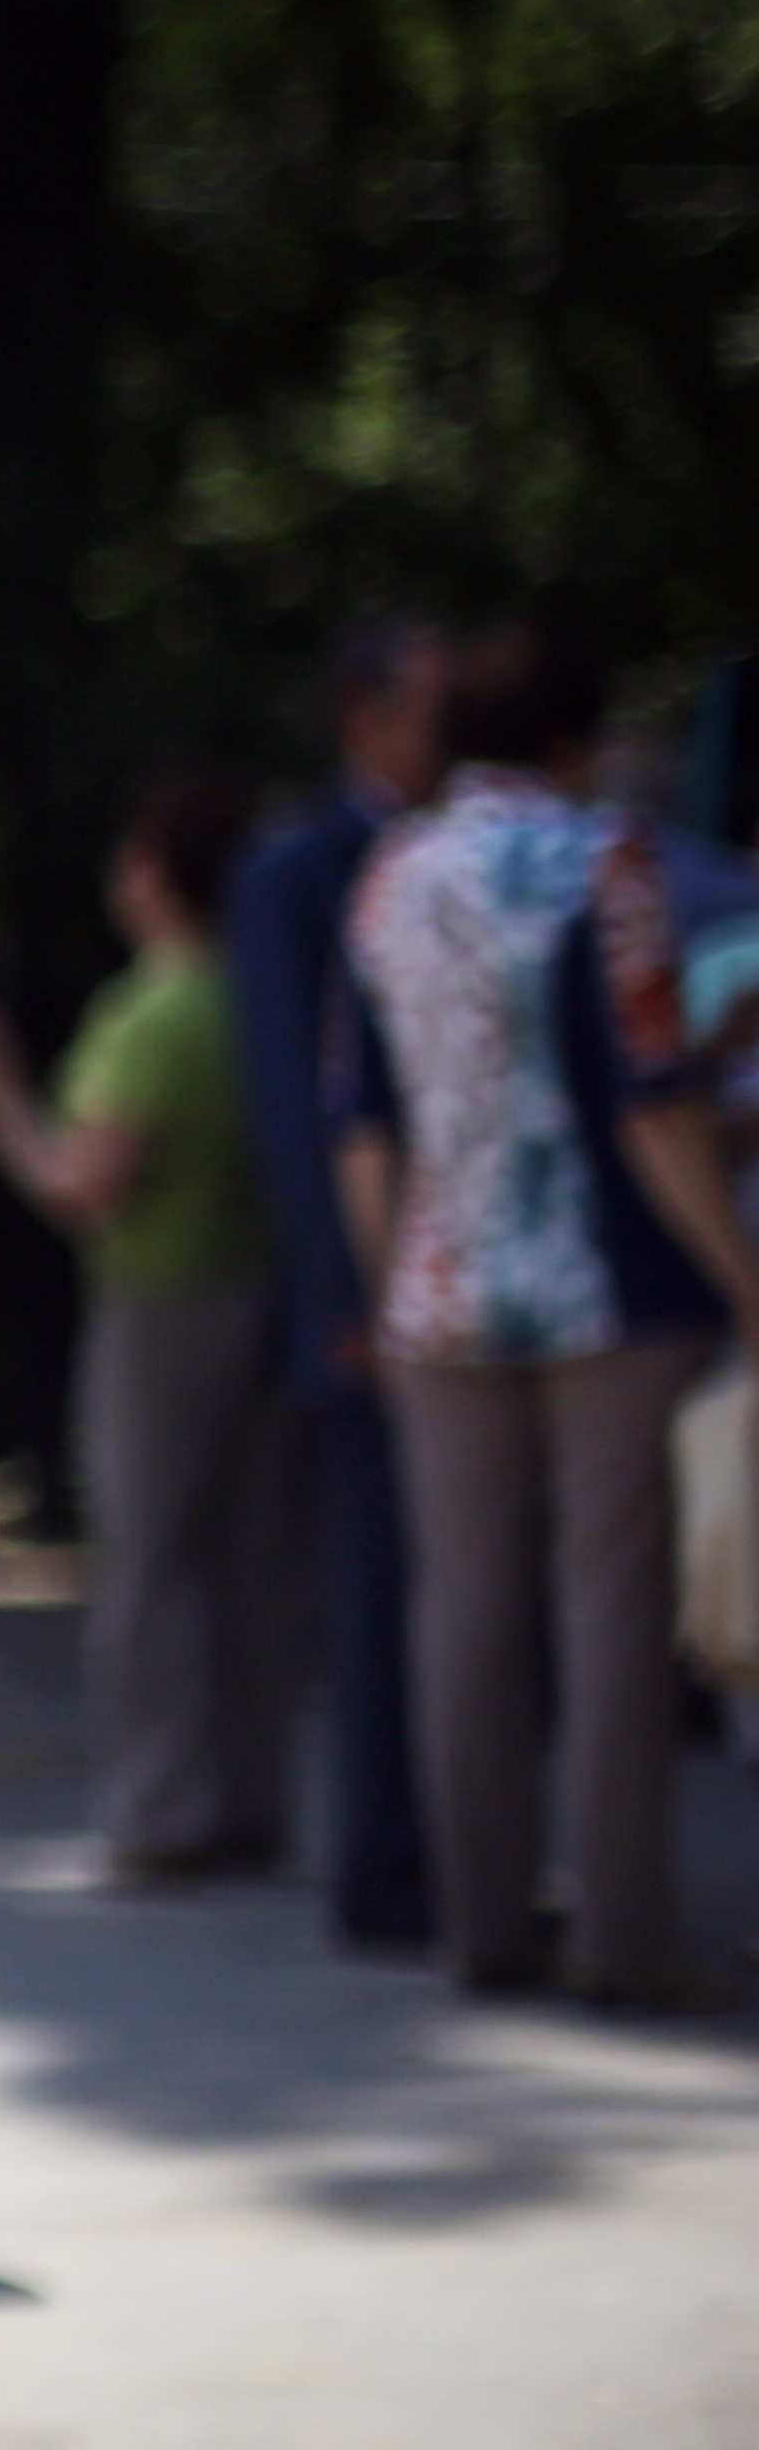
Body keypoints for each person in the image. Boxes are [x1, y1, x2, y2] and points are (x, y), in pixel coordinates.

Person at [338, 633, 759, 2009]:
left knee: (462, 1615)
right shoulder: (608, 864)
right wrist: (746, 1276)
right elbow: (653, 1102)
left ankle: (485, 1931)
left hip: (441, 1294)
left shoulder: (391, 875)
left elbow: (362, 1130)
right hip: (611, 1296)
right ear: (577, 744)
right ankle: (624, 1943)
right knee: (613, 1616)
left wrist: (390, 1286)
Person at [0, 770, 295, 1883]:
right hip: (262, 1292)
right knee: (248, 1559)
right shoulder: (266, 994)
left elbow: (82, 1184)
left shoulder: (154, 1012)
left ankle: (158, 1810)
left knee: (148, 1562)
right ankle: (251, 1800)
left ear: (151, 875)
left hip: (159, 1302)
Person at [224, 617, 448, 1951]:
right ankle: (382, 1871)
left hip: (481, 1287)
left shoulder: (462, 850)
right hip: (371, 1293)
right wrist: (347, 1296)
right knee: (375, 1588)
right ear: (360, 718)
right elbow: (291, 1105)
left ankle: (457, 1858)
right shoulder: (295, 873)